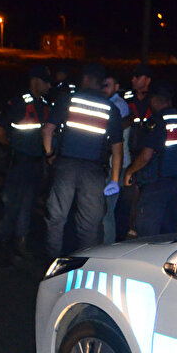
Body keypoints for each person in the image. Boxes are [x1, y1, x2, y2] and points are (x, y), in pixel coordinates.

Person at [42, 62, 124, 260]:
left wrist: (49, 154)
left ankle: (52, 263)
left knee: (57, 217)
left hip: (66, 166)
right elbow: (117, 149)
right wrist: (114, 180)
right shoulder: (110, 108)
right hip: (94, 171)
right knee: (89, 224)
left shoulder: (68, 100)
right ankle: (84, 265)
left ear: (85, 79)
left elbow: (47, 130)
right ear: (101, 82)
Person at [0, 64, 52, 265]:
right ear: (35, 81)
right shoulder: (18, 103)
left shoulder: (45, 105)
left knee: (27, 206)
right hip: (19, 162)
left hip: (35, 164)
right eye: (46, 82)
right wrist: (10, 149)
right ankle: (3, 246)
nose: (49, 86)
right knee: (12, 205)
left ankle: (20, 244)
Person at [124, 80, 177, 237]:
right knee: (168, 233)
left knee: (146, 234)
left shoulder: (157, 122)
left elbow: (146, 156)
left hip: (155, 185)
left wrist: (130, 172)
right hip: (176, 183)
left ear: (155, 100)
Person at [117, 64, 154, 237]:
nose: (132, 80)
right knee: (126, 193)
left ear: (147, 80)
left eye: (137, 77)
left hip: (147, 152)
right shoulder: (125, 97)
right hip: (128, 150)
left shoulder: (155, 100)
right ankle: (123, 228)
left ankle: (138, 228)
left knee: (145, 193)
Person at [99, 73, 128, 244]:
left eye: (107, 85)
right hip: (110, 164)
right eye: (102, 85)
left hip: (116, 165)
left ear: (116, 87)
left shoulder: (118, 106)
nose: (104, 89)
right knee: (103, 209)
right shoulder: (112, 104)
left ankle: (107, 247)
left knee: (107, 211)